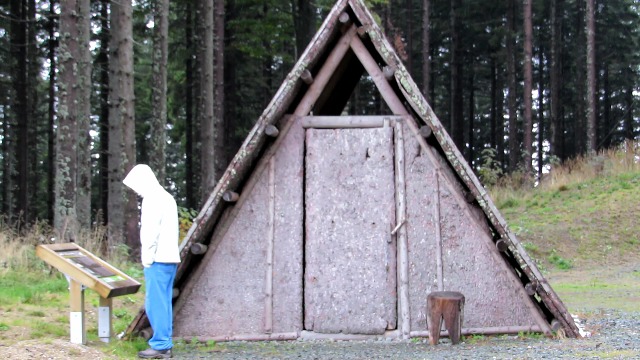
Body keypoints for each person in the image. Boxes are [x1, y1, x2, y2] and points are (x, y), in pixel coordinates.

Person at [123, 164, 181, 359]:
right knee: (162, 303)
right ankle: (164, 343)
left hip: (157, 259)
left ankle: (161, 345)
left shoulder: (152, 199)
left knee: (155, 304)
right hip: (170, 258)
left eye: (135, 185)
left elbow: (149, 234)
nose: (136, 190)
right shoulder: (167, 197)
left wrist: (146, 259)